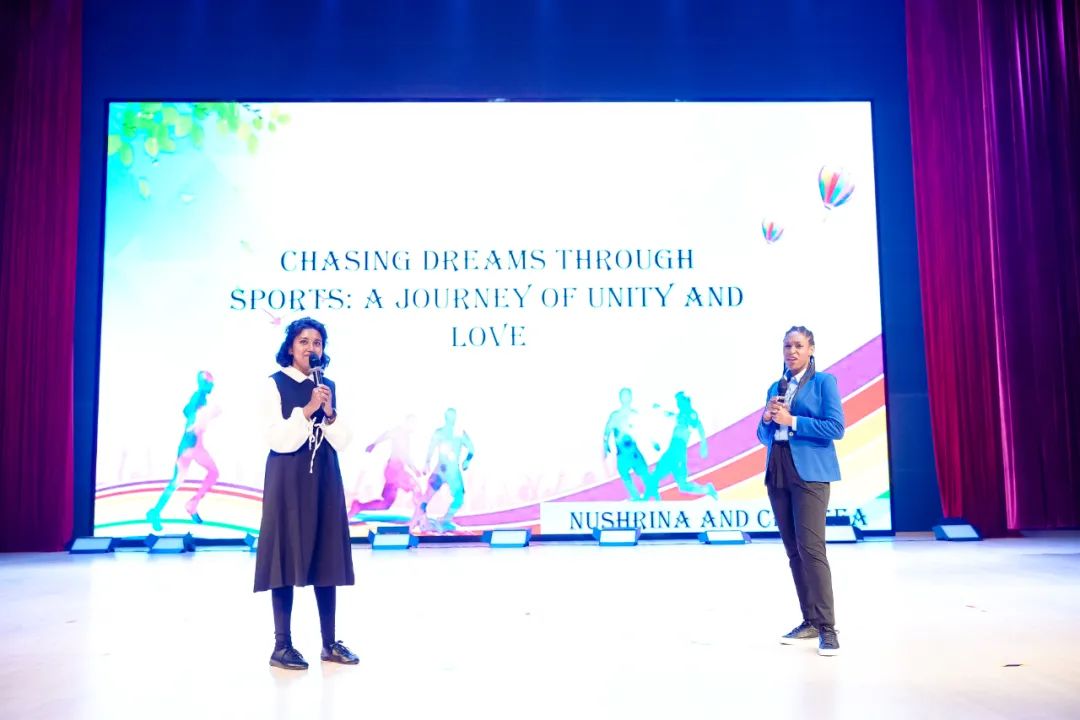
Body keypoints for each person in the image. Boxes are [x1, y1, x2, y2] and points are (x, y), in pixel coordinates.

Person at [253, 317, 358, 670]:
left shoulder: (326, 385)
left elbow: (342, 440)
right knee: (284, 555)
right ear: (290, 347)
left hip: (324, 478)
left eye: (317, 342)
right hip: (288, 479)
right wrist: (308, 410)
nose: (311, 348)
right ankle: (282, 645)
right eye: (303, 341)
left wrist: (329, 413)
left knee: (326, 554)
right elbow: (277, 438)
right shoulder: (275, 384)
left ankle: (329, 643)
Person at [756, 326, 845, 656]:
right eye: (787, 346)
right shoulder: (775, 386)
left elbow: (836, 428)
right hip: (778, 468)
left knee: (811, 549)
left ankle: (828, 628)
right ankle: (810, 621)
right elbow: (763, 436)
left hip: (810, 473)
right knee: (794, 550)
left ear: (811, 349)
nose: (791, 351)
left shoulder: (824, 382)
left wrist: (792, 420)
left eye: (798, 345)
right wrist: (767, 419)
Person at [145, 370, 220, 531]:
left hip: (193, 445)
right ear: (204, 383)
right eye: (210, 383)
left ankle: (164, 510)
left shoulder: (200, 397)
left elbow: (186, 411)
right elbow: (191, 413)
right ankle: (184, 506)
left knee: (180, 480)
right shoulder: (199, 396)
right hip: (191, 445)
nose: (212, 386)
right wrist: (195, 424)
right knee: (204, 475)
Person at [646, 392, 717, 500]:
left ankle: (707, 489)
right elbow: (670, 415)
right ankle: (707, 489)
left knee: (680, 484)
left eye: (679, 401)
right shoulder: (680, 415)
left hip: (679, 450)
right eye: (677, 402)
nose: (678, 404)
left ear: (685, 401)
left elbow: (699, 425)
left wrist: (703, 444)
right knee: (665, 480)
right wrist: (659, 408)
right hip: (673, 449)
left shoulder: (690, 413)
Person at [416, 408, 474, 532]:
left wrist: (467, 461)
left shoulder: (457, 433)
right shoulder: (442, 432)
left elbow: (471, 448)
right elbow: (431, 448)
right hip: (445, 470)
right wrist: (427, 462)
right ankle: (425, 520)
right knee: (429, 496)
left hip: (448, 470)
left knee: (458, 498)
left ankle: (444, 520)